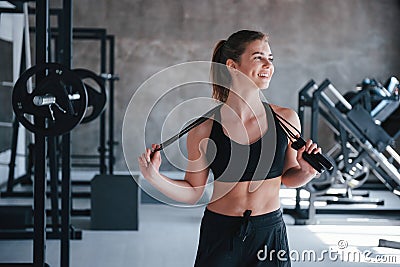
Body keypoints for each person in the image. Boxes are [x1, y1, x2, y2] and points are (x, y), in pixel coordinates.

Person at [138, 30, 321, 267]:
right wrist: (154, 177)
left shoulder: (286, 120)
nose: (268, 65)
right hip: (220, 233)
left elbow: (289, 178)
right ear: (233, 66)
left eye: (270, 58)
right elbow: (194, 191)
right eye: (258, 57)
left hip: (269, 234)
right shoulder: (203, 129)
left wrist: (306, 171)